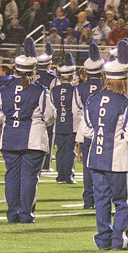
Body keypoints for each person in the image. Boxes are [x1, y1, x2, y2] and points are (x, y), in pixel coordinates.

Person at [80, 39, 128, 250]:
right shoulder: (127, 102)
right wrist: (122, 143)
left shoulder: (93, 99)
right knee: (123, 201)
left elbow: (86, 131)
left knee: (102, 200)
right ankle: (120, 240)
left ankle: (103, 239)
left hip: (95, 158)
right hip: (118, 160)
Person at [0, 37, 56, 223]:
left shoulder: (4, 89)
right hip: (33, 137)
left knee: (11, 176)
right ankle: (26, 214)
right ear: (34, 70)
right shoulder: (40, 89)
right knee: (29, 178)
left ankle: (12, 213)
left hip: (10, 135)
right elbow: (50, 115)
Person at [73, 42, 105, 209]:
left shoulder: (79, 88)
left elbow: (76, 111)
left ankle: (88, 200)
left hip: (86, 131)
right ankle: (102, 200)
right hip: (104, 131)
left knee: (87, 166)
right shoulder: (107, 86)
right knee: (103, 166)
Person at [52, 53, 77, 184]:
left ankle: (60, 175)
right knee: (70, 151)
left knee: (60, 151)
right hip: (71, 124)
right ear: (72, 76)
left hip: (58, 124)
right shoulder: (75, 90)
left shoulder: (54, 90)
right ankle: (68, 176)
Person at [35, 42, 59, 172]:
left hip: (33, 109)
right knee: (48, 137)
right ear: (49, 64)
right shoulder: (52, 77)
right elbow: (54, 94)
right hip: (47, 108)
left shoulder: (32, 75)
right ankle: (45, 165)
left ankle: (38, 163)